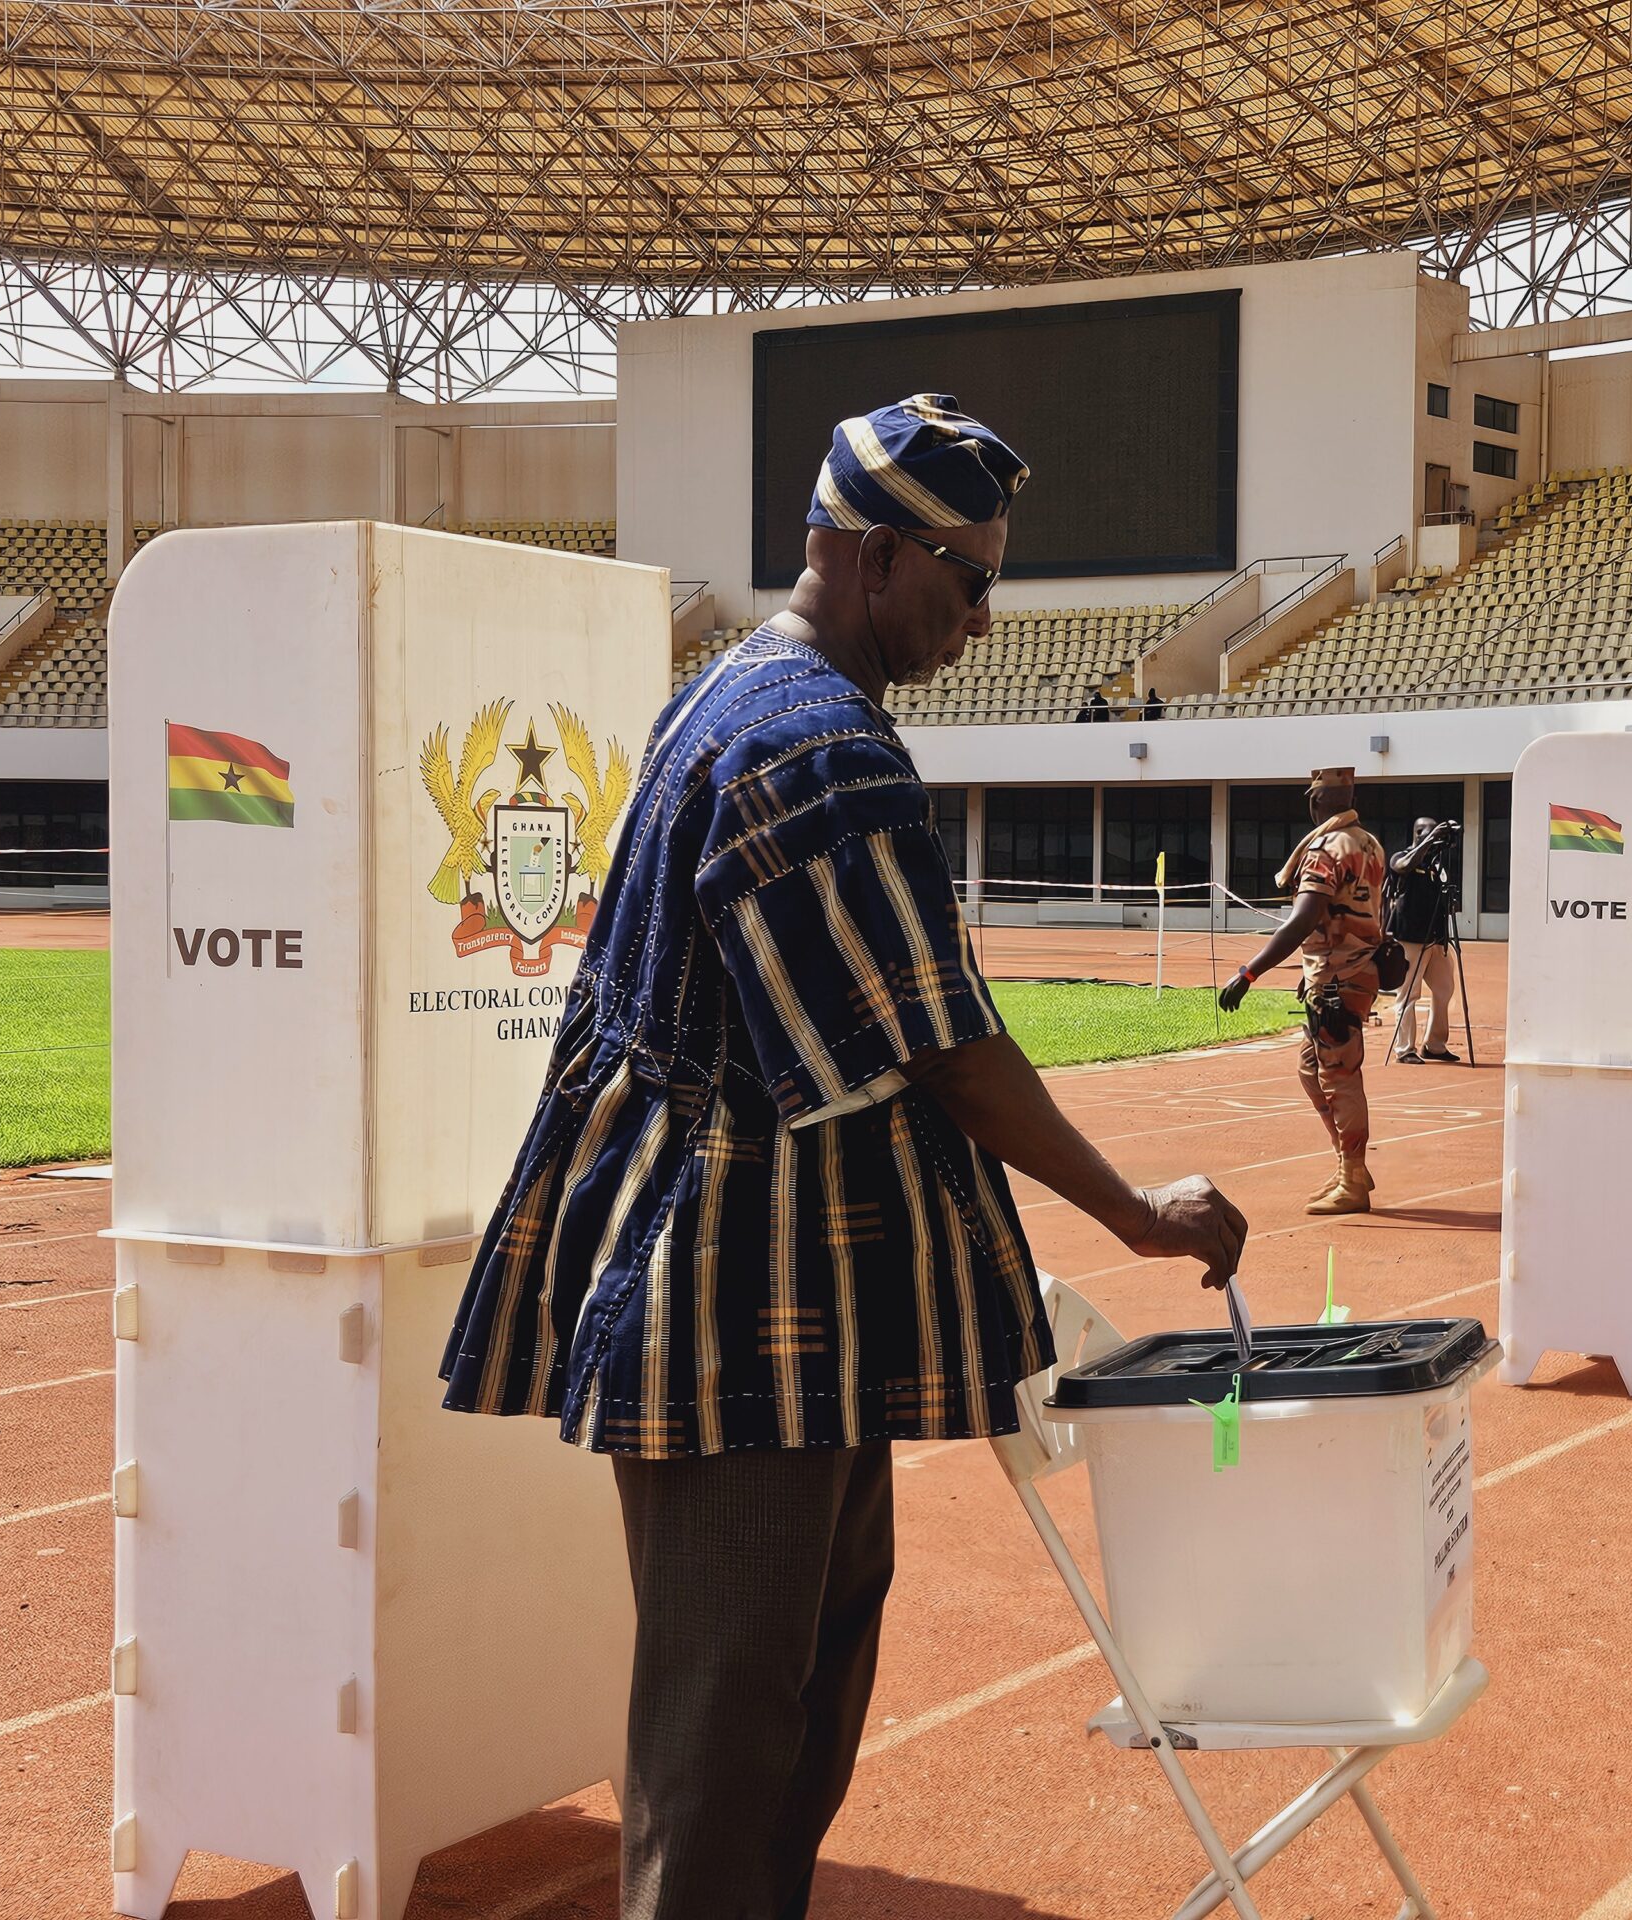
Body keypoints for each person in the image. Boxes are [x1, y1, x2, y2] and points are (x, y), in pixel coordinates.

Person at [439, 395, 1249, 1920]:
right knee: (730, 1744)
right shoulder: (815, 750)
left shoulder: (734, 694)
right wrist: (1135, 1210)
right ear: (876, 557)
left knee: (783, 1712)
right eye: (969, 578)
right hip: (737, 1321)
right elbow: (944, 1047)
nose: (983, 617)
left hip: (777, 1317)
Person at [1220, 767, 1387, 1213]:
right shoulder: (1369, 844)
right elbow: (1353, 912)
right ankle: (1349, 1164)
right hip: (1350, 969)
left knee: (1339, 1076)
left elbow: (1303, 918)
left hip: (1339, 978)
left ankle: (1353, 1179)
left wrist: (1250, 972)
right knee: (1311, 1068)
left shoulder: (1325, 849)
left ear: (1316, 802)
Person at [1388, 815, 1459, 1063]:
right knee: (1409, 992)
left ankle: (1434, 1045)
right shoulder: (1402, 857)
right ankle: (1404, 1049)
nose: (1434, 838)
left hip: (1436, 938)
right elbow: (1403, 866)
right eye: (1428, 832)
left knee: (1444, 988)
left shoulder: (1436, 865)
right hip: (1410, 937)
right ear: (1417, 834)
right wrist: (1429, 841)